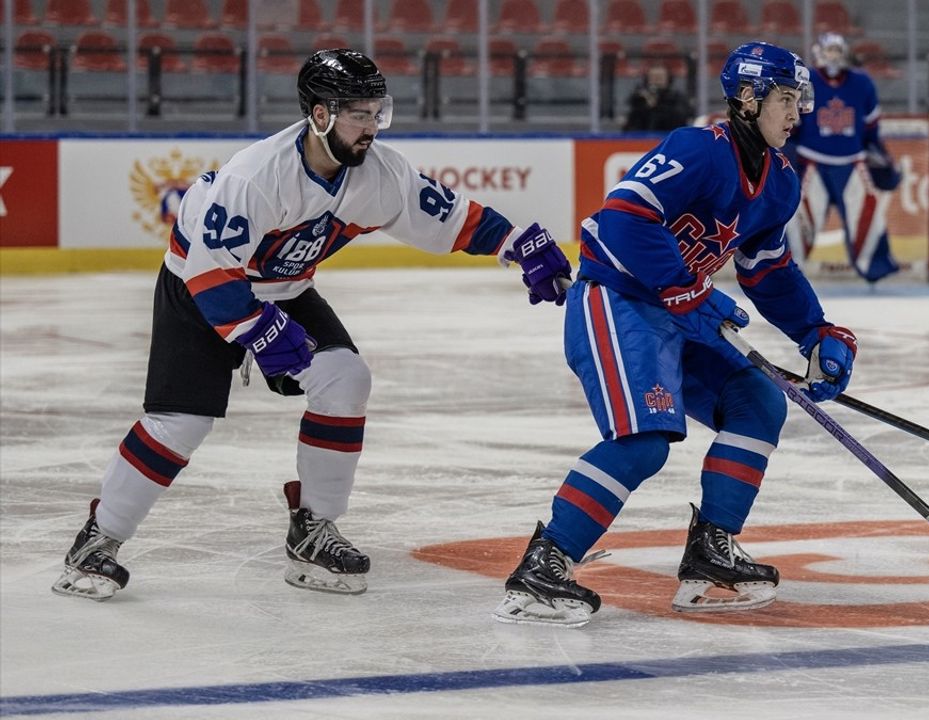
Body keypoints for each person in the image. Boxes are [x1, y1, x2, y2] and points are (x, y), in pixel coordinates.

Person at [51, 49, 572, 601]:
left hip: (284, 288)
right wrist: (258, 330)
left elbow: (453, 217)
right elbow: (210, 272)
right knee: (181, 422)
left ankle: (314, 530)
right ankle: (98, 539)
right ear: (320, 115)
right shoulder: (255, 178)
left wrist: (518, 244)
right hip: (200, 285)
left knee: (345, 379)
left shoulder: (381, 174)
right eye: (359, 114)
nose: (372, 127)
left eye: (378, 113)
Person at [493, 41, 860, 627]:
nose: (798, 113)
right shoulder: (697, 150)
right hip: (620, 303)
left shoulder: (782, 182)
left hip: (677, 309)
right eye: (786, 99)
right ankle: (546, 563)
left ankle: (711, 554)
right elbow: (622, 219)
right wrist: (682, 287)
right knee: (644, 440)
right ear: (746, 98)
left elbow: (767, 270)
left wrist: (816, 331)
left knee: (758, 402)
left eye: (800, 100)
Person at [785, 32, 903, 282]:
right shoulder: (806, 81)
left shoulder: (862, 83)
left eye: (838, 52)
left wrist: (880, 154)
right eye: (829, 52)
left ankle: (876, 266)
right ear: (818, 53)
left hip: (852, 162)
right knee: (799, 219)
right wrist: (788, 156)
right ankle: (784, 269)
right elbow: (792, 125)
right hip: (811, 163)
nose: (834, 58)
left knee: (867, 214)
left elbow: (871, 129)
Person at [623, 64, 693, 132]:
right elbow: (631, 123)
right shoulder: (639, 97)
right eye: (653, 76)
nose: (657, 79)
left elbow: (681, 118)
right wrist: (644, 106)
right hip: (643, 139)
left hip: (669, 137)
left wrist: (657, 105)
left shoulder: (677, 97)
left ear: (668, 78)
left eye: (660, 76)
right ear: (647, 79)